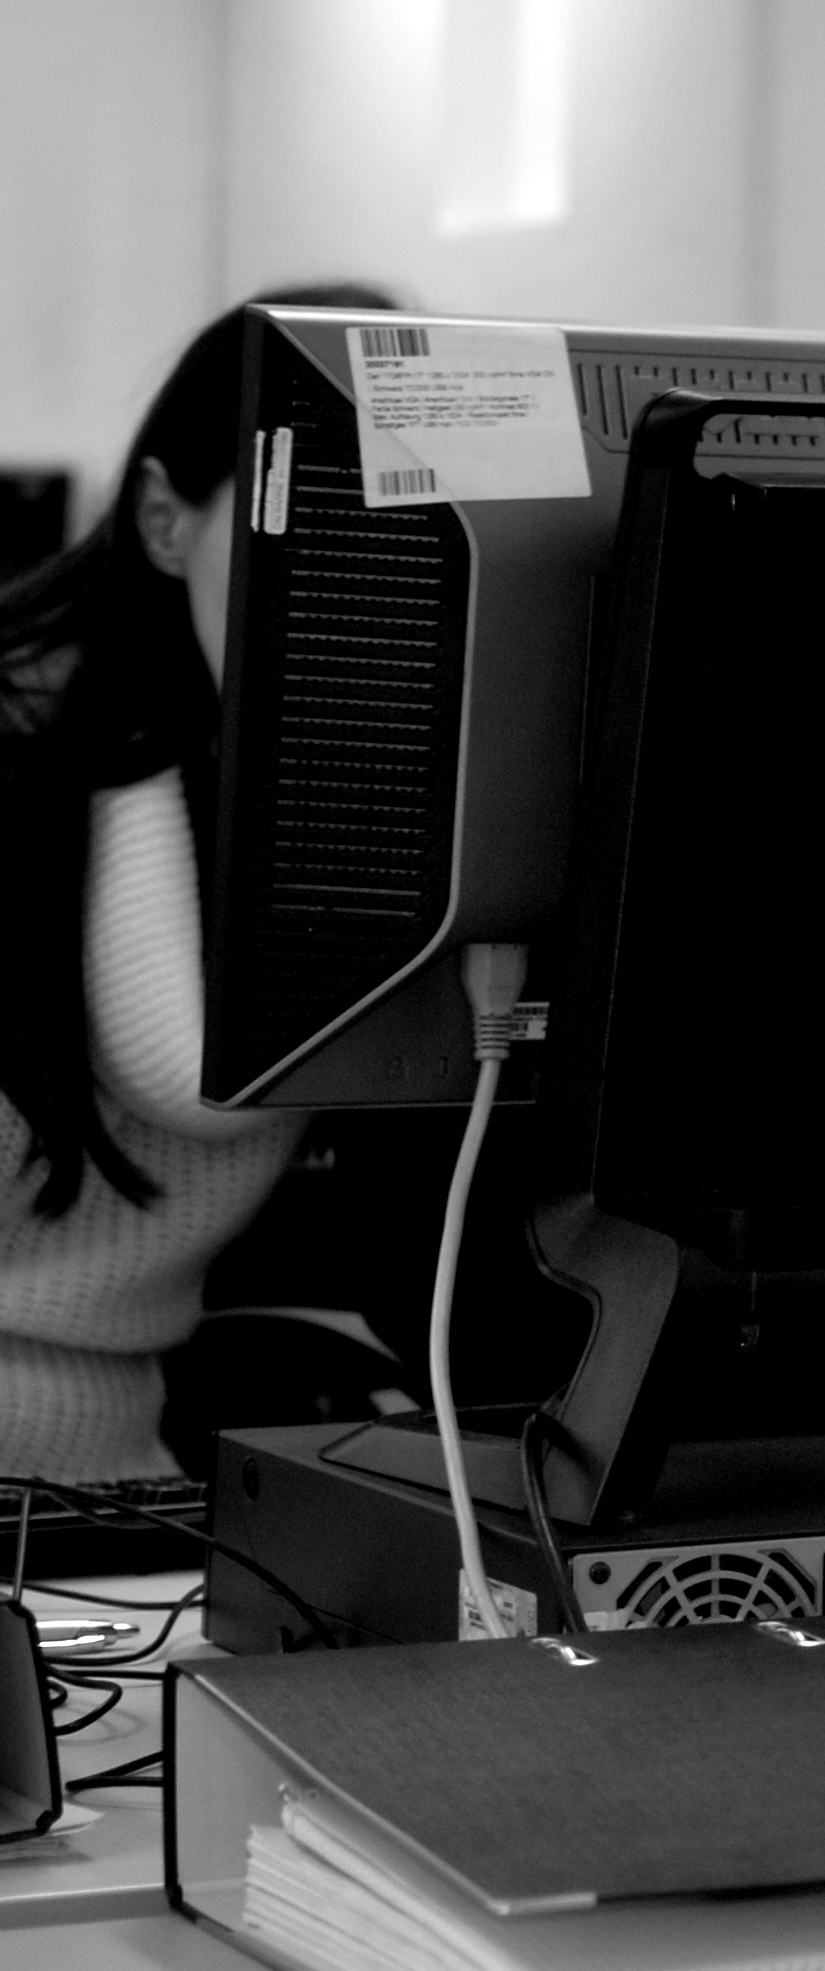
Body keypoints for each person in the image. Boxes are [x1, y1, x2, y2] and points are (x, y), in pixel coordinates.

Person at [0, 285, 408, 1480]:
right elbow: (185, 1073)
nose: (361, 590)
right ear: (164, 522)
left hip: (117, 1474)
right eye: (314, 525)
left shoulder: (349, 813)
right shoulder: (29, 781)